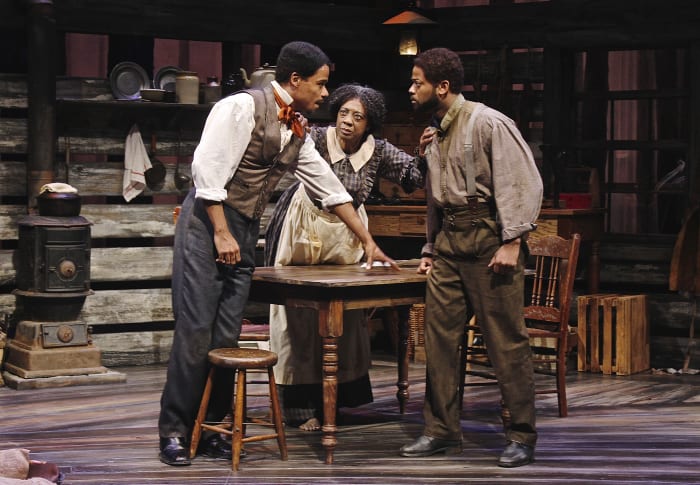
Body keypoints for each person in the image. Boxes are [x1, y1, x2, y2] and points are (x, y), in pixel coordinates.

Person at [158, 41, 397, 467]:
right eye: (320, 84)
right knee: (195, 332)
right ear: (295, 80)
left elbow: (328, 188)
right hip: (207, 225)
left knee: (225, 336)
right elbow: (207, 170)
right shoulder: (240, 108)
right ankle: (175, 430)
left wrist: (367, 240)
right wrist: (221, 232)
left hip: (243, 230)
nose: (325, 93)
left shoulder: (297, 130)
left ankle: (210, 427)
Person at [398, 47, 543, 468]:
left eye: (418, 82)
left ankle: (521, 435)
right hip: (449, 243)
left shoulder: (488, 123)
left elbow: (523, 183)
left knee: (505, 340)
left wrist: (512, 241)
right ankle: (441, 431)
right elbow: (436, 196)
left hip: (488, 239)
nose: (411, 89)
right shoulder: (436, 130)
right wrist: (430, 247)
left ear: (442, 87)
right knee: (439, 340)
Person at [264, 83, 424, 431]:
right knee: (297, 316)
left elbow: (415, 175)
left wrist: (426, 151)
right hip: (305, 223)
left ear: (369, 123)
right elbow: (280, 153)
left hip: (348, 233)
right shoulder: (317, 139)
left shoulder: (377, 151)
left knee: (345, 316)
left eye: (358, 117)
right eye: (343, 113)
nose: (348, 121)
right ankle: (299, 407)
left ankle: (336, 399)